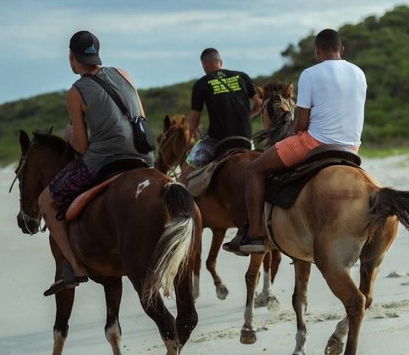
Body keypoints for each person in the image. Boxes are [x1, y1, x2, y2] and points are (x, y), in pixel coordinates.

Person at [226, 28, 367, 254]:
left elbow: (301, 124)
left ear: (317, 51)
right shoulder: (359, 73)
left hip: (314, 143)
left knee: (254, 170)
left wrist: (293, 130)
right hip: (352, 147)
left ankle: (254, 235)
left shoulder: (310, 74)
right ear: (341, 49)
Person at [38, 30, 153, 295]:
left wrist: (68, 135)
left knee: (46, 200)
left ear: (71, 57)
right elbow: (141, 118)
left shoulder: (76, 91)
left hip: (104, 161)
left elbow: (81, 147)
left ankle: (76, 266)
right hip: (143, 156)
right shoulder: (125, 74)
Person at [179, 48, 262, 186]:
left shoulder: (201, 84)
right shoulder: (243, 76)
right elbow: (260, 104)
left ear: (204, 65)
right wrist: (248, 117)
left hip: (216, 141)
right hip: (246, 139)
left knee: (184, 176)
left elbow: (194, 120)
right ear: (220, 62)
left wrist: (193, 133)